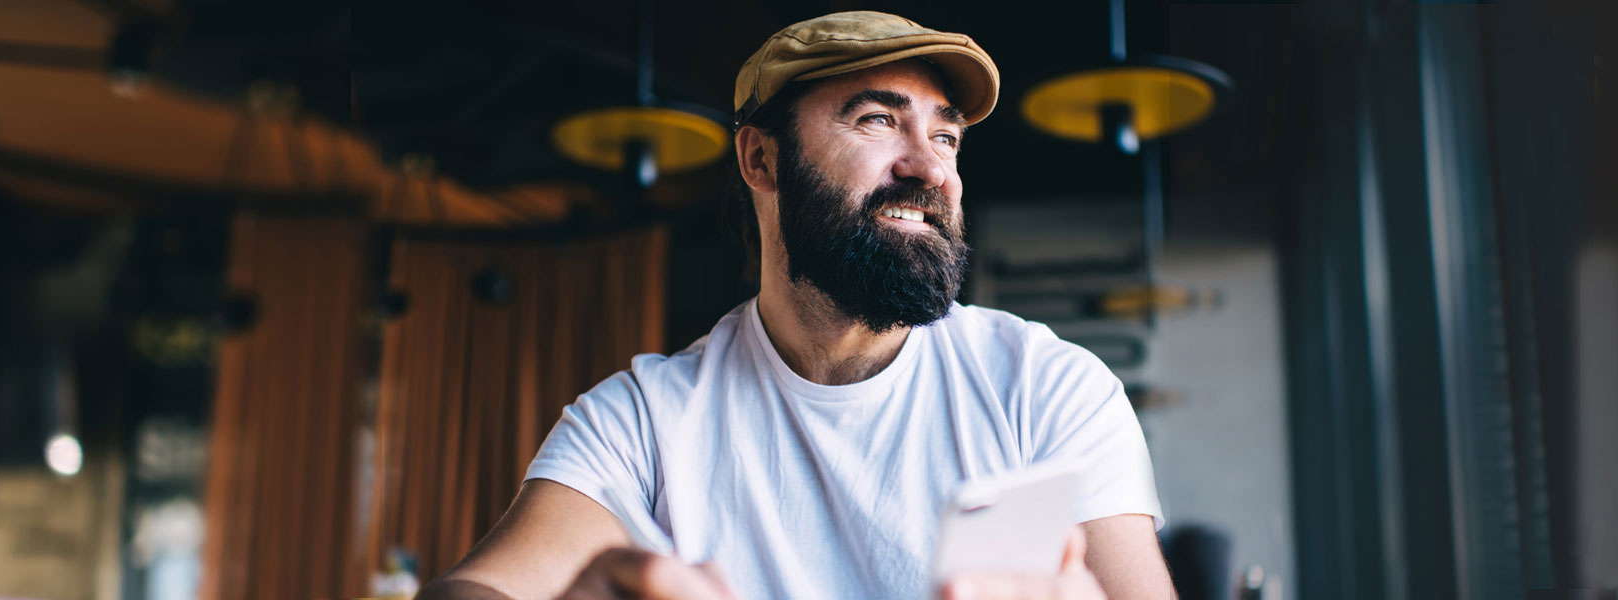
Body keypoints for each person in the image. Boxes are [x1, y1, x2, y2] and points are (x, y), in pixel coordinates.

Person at [417, 11, 1172, 600]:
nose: (929, 167)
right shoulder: (644, 421)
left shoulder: (1045, 388)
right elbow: (479, 586)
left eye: (947, 137)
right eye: (878, 120)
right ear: (761, 159)